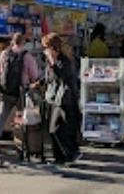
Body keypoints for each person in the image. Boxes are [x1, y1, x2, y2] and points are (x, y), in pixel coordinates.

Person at [34, 32, 81, 165]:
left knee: (60, 129)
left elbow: (63, 76)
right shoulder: (52, 62)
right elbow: (50, 77)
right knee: (55, 129)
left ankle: (70, 154)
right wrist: (38, 83)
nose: (45, 51)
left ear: (54, 48)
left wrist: (53, 61)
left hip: (65, 99)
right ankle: (59, 157)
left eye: (46, 48)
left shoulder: (64, 61)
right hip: (54, 97)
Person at [0, 33, 39, 153]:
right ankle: (23, 144)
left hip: (6, 91)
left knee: (0, 117)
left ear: (12, 41)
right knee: (24, 117)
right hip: (22, 92)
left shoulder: (4, 54)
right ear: (24, 42)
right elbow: (34, 75)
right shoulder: (27, 56)